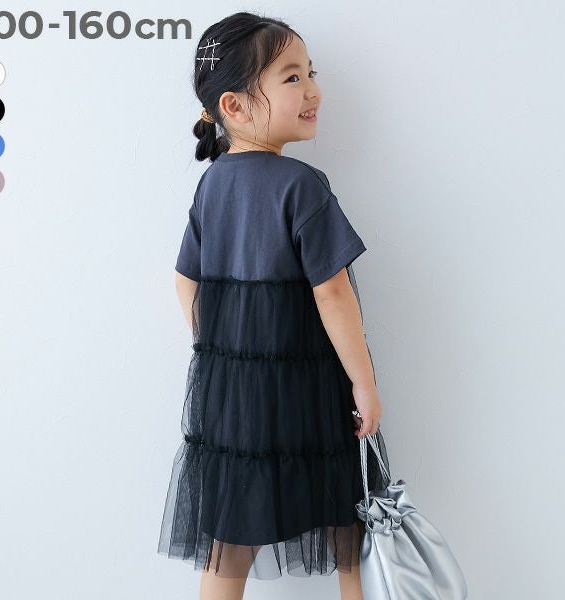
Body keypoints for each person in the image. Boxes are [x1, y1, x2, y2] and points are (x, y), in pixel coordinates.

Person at [157, 11, 391, 600]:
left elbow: (185, 281)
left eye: (311, 73)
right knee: (349, 526)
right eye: (292, 77)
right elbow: (332, 291)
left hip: (234, 400)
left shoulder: (212, 184)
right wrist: (364, 384)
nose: (312, 90)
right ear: (234, 106)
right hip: (309, 391)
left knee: (230, 537)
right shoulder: (301, 185)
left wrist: (225, 349)